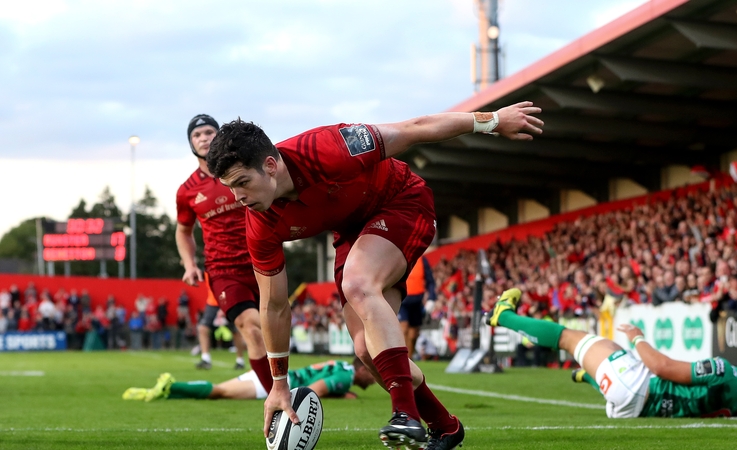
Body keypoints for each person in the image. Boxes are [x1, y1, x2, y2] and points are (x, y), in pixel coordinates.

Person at [206, 102, 543, 449]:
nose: (238, 198)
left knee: (358, 284)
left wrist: (493, 121)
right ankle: (445, 427)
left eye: (243, 183)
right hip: (352, 233)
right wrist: (279, 385)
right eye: (231, 188)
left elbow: (415, 127)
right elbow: (274, 306)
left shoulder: (327, 148)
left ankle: (404, 415)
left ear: (271, 166)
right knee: (366, 349)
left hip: (403, 201)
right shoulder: (260, 225)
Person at [487, 288, 737, 418]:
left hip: (639, 387)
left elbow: (662, 366)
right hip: (639, 408)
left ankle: (503, 316)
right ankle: (588, 375)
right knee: (610, 350)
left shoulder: (727, 371)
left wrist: (638, 337)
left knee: (570, 338)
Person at [175, 114, 272, 390]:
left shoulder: (244, 171)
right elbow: (183, 231)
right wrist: (189, 264)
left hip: (263, 259)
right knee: (251, 328)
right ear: (191, 143)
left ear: (219, 136)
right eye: (197, 135)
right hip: (223, 269)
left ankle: (278, 385)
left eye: (208, 132)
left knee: (272, 331)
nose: (203, 138)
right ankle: (276, 398)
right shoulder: (187, 191)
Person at [122, 358, 376, 402]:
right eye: (373, 373)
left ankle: (171, 391)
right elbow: (312, 391)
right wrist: (341, 394)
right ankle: (171, 385)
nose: (375, 380)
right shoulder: (345, 375)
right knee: (220, 392)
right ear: (362, 369)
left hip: (272, 376)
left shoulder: (342, 367)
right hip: (274, 383)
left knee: (221, 391)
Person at [399, 256, 436, 359]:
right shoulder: (398, 254)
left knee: (413, 334)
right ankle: (403, 360)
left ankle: (409, 358)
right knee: (404, 328)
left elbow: (430, 281)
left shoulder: (422, 260)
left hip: (417, 301)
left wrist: (432, 298)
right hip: (402, 300)